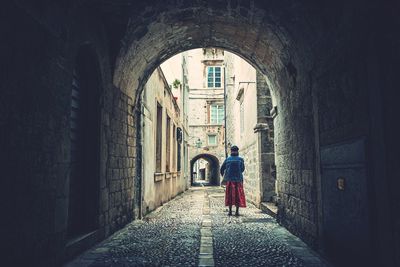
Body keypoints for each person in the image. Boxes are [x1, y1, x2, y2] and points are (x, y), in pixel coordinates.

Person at [220, 145, 246, 216]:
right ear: (237, 151)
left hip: (230, 180)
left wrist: (225, 176)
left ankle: (230, 211)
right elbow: (242, 169)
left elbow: (222, 169)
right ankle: (237, 212)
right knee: (238, 195)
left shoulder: (227, 159)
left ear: (231, 151)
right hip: (238, 180)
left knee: (230, 195)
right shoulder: (240, 159)